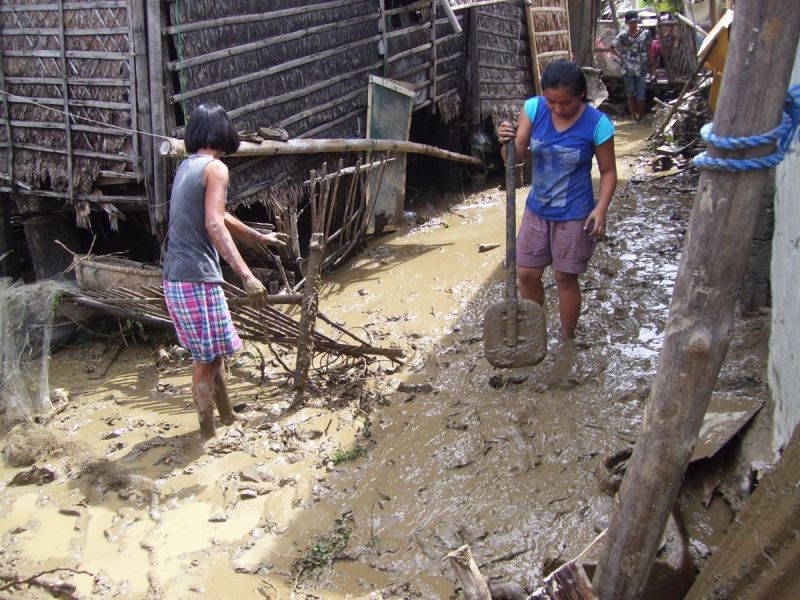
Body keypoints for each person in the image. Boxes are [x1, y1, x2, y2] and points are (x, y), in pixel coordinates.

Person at [163, 103, 287, 439]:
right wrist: (248, 277)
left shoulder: (188, 166)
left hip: (178, 277)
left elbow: (220, 214)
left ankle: (227, 415)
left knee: (212, 353)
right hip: (195, 277)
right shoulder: (216, 169)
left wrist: (256, 235)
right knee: (205, 361)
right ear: (224, 133)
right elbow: (214, 224)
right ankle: (206, 433)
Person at [497, 60, 617, 341]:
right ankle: (536, 332)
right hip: (537, 210)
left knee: (565, 277)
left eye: (566, 103)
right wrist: (506, 142)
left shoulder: (598, 124)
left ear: (581, 97)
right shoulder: (533, 109)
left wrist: (601, 209)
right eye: (552, 102)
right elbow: (513, 160)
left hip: (575, 214)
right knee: (526, 274)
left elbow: (609, 171)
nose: (558, 109)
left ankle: (566, 337)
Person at [613, 10, 655, 122]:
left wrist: (652, 66)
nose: (634, 24)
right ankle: (633, 116)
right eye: (631, 22)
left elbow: (649, 49)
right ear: (627, 23)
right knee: (630, 95)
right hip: (628, 70)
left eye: (635, 21)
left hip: (642, 69)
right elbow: (612, 46)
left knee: (641, 95)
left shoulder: (645, 34)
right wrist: (621, 57)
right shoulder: (623, 36)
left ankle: (639, 117)